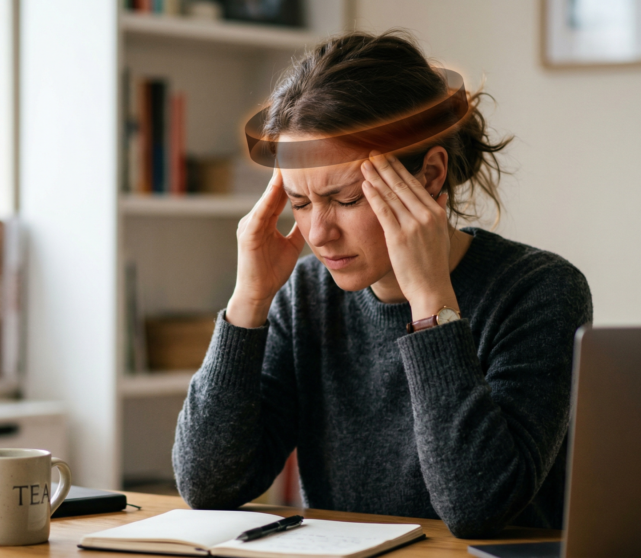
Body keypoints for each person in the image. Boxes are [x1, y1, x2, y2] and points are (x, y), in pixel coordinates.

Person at [172, 29, 592, 539]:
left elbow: (478, 507)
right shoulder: (305, 295)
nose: (319, 234)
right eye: (301, 204)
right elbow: (209, 485)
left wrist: (431, 302)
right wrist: (249, 303)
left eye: (346, 200)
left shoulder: (541, 292)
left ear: (431, 174)